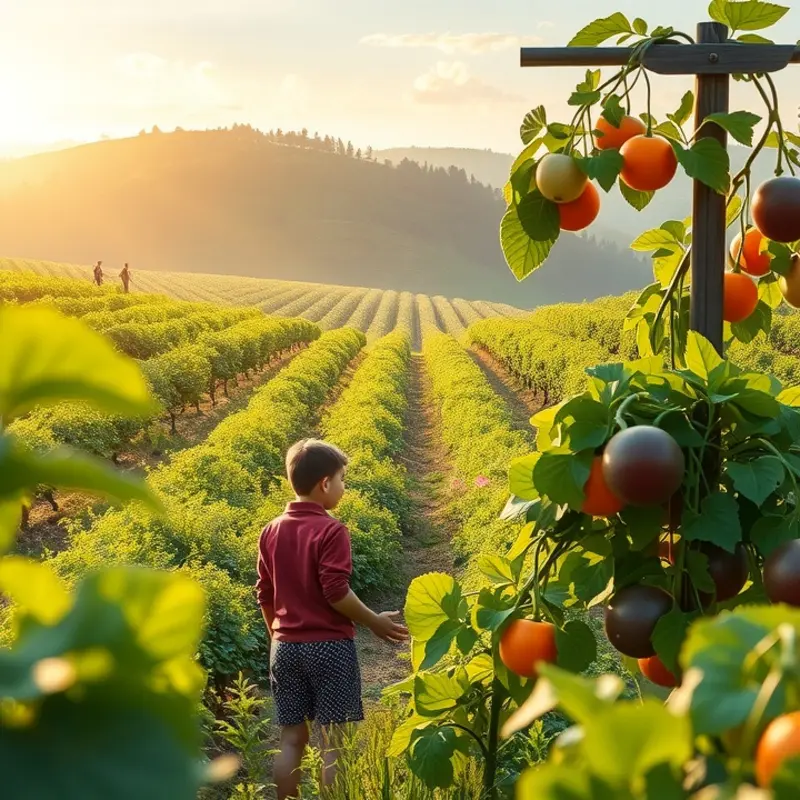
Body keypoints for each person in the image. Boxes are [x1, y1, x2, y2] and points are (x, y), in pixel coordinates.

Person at [255, 439, 408, 800]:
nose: (343, 486)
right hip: (329, 649)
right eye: (342, 479)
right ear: (325, 484)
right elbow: (335, 591)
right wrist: (374, 621)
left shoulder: (271, 530)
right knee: (335, 742)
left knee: (291, 738)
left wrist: (277, 637)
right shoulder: (331, 530)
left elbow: (264, 594)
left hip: (284, 648)